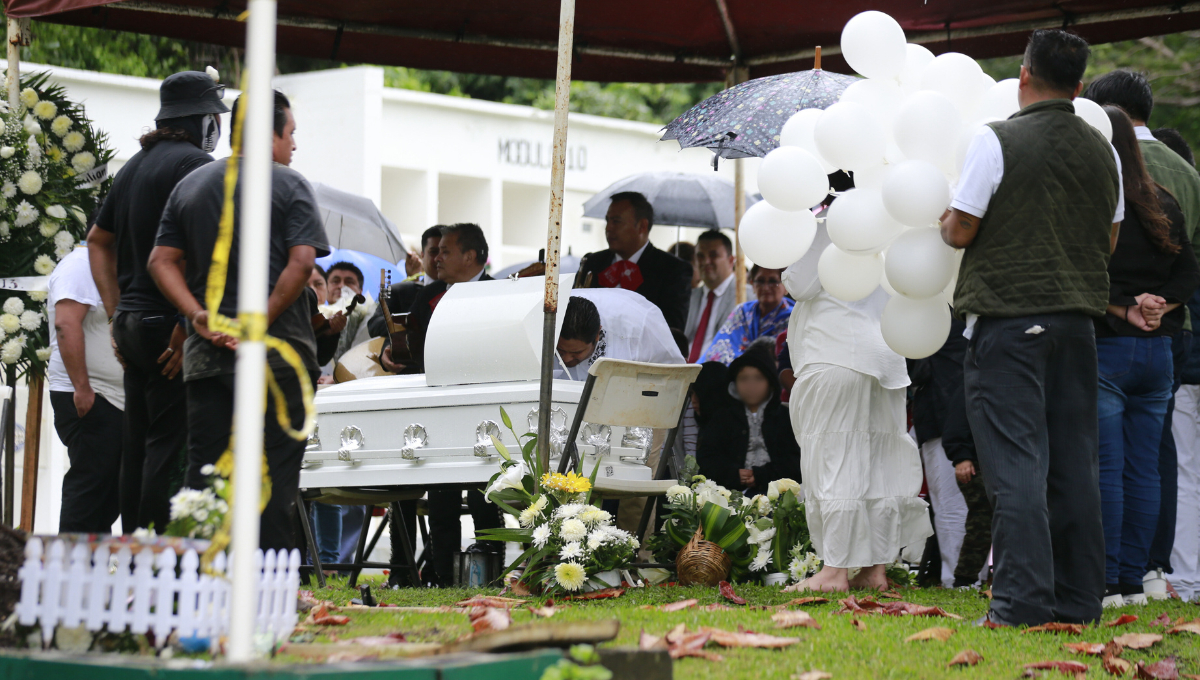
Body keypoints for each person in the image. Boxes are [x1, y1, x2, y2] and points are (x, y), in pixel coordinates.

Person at [940, 30, 1124, 626]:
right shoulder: (1106, 150)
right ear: (1077, 86)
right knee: (1075, 467)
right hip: (1077, 326)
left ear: (1023, 75)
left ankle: (1020, 603)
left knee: (1016, 467)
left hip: (1009, 323)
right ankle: (1077, 601)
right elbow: (1111, 238)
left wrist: (945, 220)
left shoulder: (996, 140)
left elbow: (961, 229)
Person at [148, 90, 329, 552]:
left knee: (205, 476)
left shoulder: (190, 187)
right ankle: (268, 597)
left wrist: (195, 315)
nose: (293, 146)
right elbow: (302, 262)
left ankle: (198, 587)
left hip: (208, 358)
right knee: (274, 479)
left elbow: (161, 261)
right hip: (280, 358)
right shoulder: (289, 184)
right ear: (269, 134)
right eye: (290, 134)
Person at [86, 69, 228, 534]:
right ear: (204, 120)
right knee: (169, 449)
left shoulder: (134, 165)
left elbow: (97, 241)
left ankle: (133, 549)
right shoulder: (195, 167)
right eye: (215, 117)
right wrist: (186, 321)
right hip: (168, 324)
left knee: (139, 444)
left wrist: (114, 314)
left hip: (130, 323)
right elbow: (201, 252)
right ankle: (158, 556)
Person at [1085, 71, 1200, 600]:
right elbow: (1187, 274)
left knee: (1107, 468)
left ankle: (1108, 579)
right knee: (1147, 468)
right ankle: (1140, 575)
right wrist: (1160, 306)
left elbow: (1087, 274)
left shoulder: (1097, 204)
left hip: (1108, 347)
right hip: (1161, 351)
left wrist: (1126, 307)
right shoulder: (1168, 198)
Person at [781, 204, 931, 594]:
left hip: (835, 352)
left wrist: (794, 244)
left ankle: (834, 571)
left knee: (835, 459)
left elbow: (799, 283)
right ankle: (874, 569)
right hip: (885, 353)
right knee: (877, 466)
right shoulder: (893, 222)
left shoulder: (830, 224)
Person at [47, 247, 125, 533]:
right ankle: (69, 572)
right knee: (90, 487)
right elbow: (66, 324)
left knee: (108, 494)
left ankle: (91, 571)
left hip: (113, 399)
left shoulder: (117, 261)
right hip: (90, 395)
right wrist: (83, 389)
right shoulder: (80, 264)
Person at [909, 319, 971, 588]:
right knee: (965, 506)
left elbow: (916, 370)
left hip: (945, 416)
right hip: (968, 414)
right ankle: (965, 577)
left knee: (950, 505)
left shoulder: (934, 318)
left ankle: (957, 578)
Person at [575, 192, 693, 332]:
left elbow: (673, 327)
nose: (608, 228)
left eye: (616, 221)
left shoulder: (672, 270)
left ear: (642, 226)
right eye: (607, 221)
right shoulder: (593, 262)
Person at [696, 344, 800, 498]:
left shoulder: (785, 417)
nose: (751, 386)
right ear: (734, 384)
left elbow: (795, 462)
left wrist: (761, 475)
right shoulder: (722, 418)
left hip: (781, 497)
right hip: (728, 496)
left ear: (770, 383)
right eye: (744, 379)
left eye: (758, 378)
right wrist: (733, 474)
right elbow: (708, 460)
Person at [404, 223, 492, 374]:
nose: (437, 258)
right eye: (436, 252)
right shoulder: (428, 294)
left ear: (469, 257)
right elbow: (407, 332)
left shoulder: (498, 295)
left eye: (445, 252)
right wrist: (389, 352)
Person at [554, 288, 683, 381]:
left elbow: (675, 378)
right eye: (560, 350)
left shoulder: (641, 324)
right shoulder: (545, 314)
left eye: (576, 353)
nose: (566, 359)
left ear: (597, 335)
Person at [684, 230, 751, 363]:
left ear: (731, 260)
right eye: (700, 256)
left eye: (713, 255)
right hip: (683, 371)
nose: (706, 261)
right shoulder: (689, 297)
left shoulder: (746, 297)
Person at [703, 265, 792, 365]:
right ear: (752, 284)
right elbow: (721, 347)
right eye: (760, 281)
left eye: (773, 281)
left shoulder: (793, 319)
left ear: (785, 286)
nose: (766, 287)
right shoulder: (742, 312)